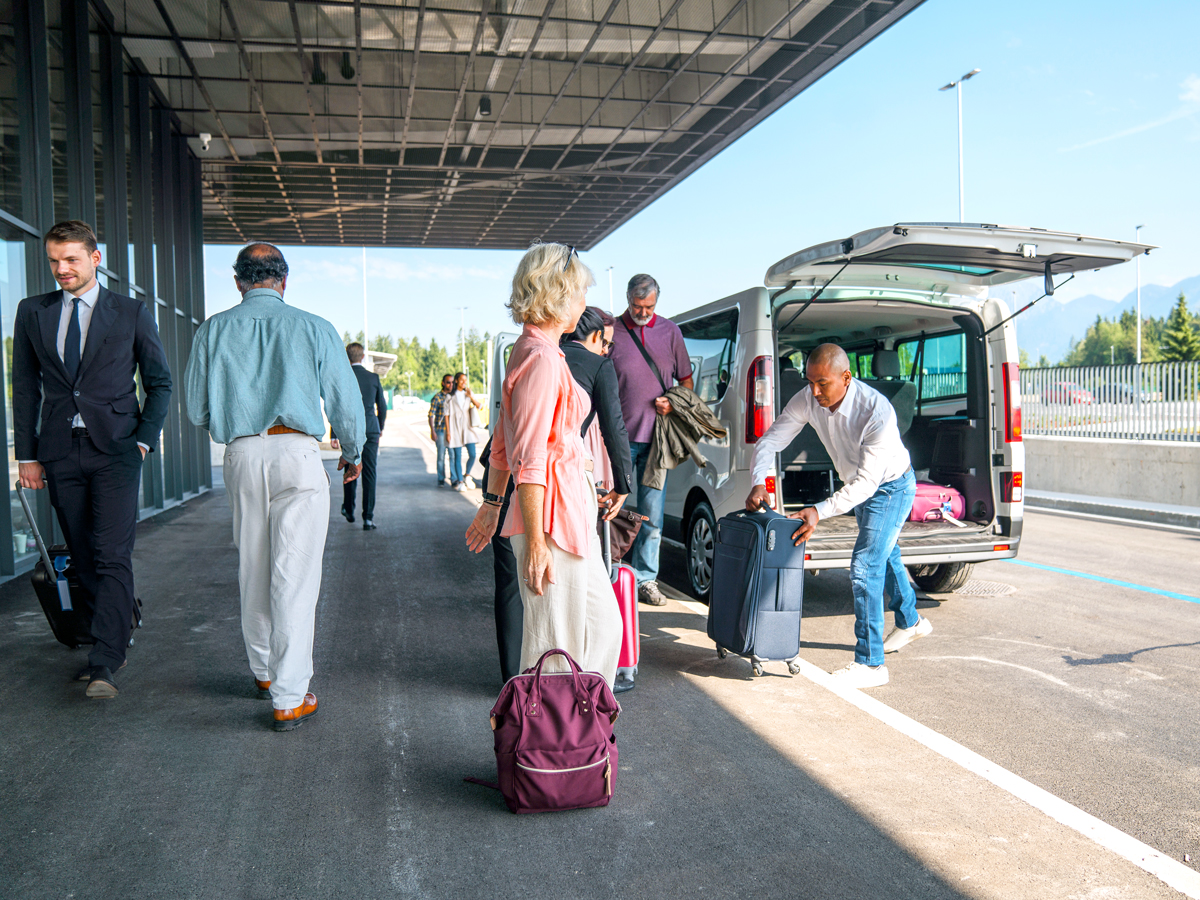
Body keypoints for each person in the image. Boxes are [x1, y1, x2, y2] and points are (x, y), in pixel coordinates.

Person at [184, 242, 365, 731]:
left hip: (242, 453)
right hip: (297, 454)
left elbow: (197, 410)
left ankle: (264, 672)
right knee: (296, 576)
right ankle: (288, 696)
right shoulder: (314, 327)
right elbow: (346, 402)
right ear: (284, 280)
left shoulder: (213, 330)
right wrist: (353, 453)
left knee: (255, 565)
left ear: (239, 282)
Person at [12, 220, 172, 699]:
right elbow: (24, 388)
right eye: (54, 261)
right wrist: (28, 456)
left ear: (94, 258)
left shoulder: (130, 312)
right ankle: (119, 620)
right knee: (82, 558)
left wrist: (142, 441)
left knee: (111, 553)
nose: (61, 269)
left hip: (116, 451)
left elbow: (159, 382)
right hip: (60, 453)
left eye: (71, 260)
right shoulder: (31, 312)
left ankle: (105, 659)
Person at [465, 243, 622, 685]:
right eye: (579, 293)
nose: (584, 303)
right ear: (557, 293)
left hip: (566, 521)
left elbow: (501, 444)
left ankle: (577, 736)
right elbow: (529, 457)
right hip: (551, 525)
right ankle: (553, 748)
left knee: (601, 631)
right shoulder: (542, 361)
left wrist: (493, 504)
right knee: (556, 648)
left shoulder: (534, 352)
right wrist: (534, 542)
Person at [745, 343, 927, 689]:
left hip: (890, 487)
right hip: (857, 483)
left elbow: (866, 484)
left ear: (846, 377)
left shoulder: (877, 413)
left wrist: (818, 511)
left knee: (864, 566)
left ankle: (871, 664)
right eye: (809, 381)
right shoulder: (809, 398)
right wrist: (759, 483)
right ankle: (911, 621)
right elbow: (769, 442)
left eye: (822, 383)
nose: (814, 391)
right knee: (885, 554)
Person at [608, 273, 693, 606]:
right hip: (617, 439)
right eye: (637, 305)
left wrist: (673, 402)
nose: (643, 312)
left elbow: (685, 382)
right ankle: (609, 569)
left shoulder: (670, 332)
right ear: (628, 299)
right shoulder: (612, 331)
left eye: (649, 306)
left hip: (658, 441)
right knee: (611, 508)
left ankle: (645, 579)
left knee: (651, 515)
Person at [333, 342, 386, 530]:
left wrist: (334, 433)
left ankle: (348, 509)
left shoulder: (344, 377)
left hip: (349, 430)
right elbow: (382, 406)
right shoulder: (373, 377)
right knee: (370, 473)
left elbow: (337, 406)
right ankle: (368, 518)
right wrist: (379, 427)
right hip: (370, 429)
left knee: (350, 468)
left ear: (347, 357)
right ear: (362, 357)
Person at [446, 372, 482, 492]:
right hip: (455, 428)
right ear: (456, 381)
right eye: (461, 380)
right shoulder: (450, 396)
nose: (464, 382)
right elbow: (446, 415)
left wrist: (471, 396)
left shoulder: (468, 394)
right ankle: (460, 482)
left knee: (472, 454)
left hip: (467, 429)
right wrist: (448, 432)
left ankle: (467, 476)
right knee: (457, 456)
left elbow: (479, 406)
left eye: (465, 380)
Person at [428, 374, 454, 486]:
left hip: (452, 431)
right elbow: (430, 415)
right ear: (443, 383)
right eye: (448, 382)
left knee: (453, 455)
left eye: (452, 382)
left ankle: (454, 479)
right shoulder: (437, 397)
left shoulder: (454, 397)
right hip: (440, 431)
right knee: (441, 456)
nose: (451, 384)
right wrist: (432, 431)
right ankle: (441, 478)